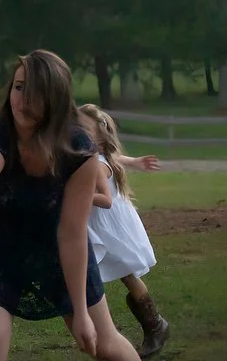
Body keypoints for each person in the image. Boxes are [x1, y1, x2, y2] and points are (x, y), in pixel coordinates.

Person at [0, 50, 140, 360]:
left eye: (34, 91)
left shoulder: (79, 152)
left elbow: (72, 234)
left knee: (105, 344)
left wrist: (82, 312)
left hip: (56, 249)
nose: (22, 99)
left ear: (56, 98)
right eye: (18, 87)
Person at [78, 104, 170, 357]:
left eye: (84, 129)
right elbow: (115, 157)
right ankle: (153, 324)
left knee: (118, 271)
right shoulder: (98, 155)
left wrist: (76, 193)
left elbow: (103, 197)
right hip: (110, 221)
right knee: (122, 272)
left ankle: (153, 324)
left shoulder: (95, 162)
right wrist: (135, 161)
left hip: (107, 222)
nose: (77, 132)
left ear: (99, 135)